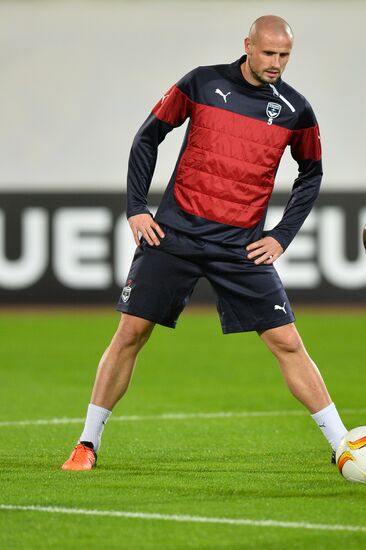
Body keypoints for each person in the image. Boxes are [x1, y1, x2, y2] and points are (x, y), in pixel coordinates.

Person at [62, 15, 347, 470]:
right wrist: (137, 207)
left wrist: (281, 236)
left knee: (288, 342)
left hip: (240, 246)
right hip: (175, 234)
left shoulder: (296, 110)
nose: (276, 63)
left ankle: (341, 444)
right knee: (130, 334)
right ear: (248, 45)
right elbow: (147, 137)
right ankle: (87, 443)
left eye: (285, 56)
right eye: (269, 53)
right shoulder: (201, 82)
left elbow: (310, 174)